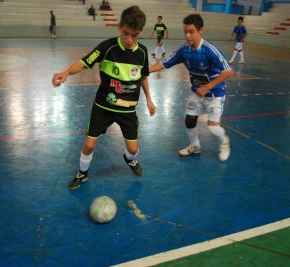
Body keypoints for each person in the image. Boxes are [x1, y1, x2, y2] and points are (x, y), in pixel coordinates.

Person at [52, 5, 156, 190]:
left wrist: (149, 99)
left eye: (135, 35)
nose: (130, 40)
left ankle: (129, 160)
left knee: (133, 150)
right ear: (119, 27)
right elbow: (84, 62)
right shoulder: (107, 47)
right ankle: (82, 173)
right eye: (126, 34)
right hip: (103, 107)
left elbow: (143, 76)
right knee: (89, 144)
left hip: (128, 110)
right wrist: (66, 71)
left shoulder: (142, 52)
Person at [149, 14, 233, 161]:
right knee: (189, 120)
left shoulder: (210, 50)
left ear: (201, 30)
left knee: (213, 127)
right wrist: (145, 70)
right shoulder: (183, 50)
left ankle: (225, 142)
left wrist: (207, 87)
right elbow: (165, 63)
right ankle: (195, 145)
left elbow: (228, 72)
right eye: (185, 32)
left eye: (191, 31)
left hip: (215, 93)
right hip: (196, 92)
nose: (188, 36)